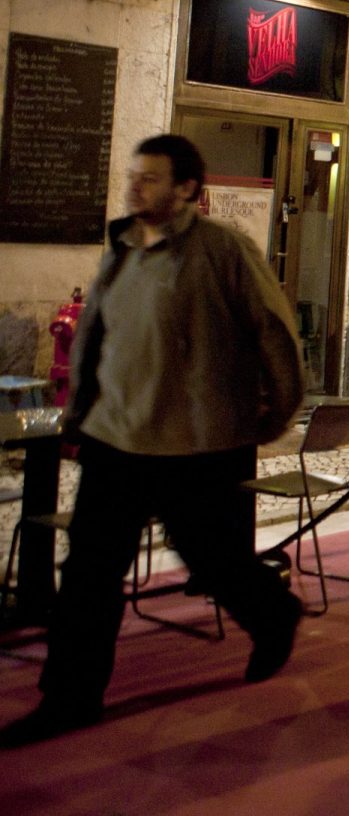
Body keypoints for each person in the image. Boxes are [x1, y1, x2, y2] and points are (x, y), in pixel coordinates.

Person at [0, 135, 306, 748]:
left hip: (192, 441)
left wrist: (273, 416)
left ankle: (273, 615)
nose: (135, 186)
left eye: (150, 178)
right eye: (134, 175)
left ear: (187, 189)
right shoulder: (121, 250)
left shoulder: (224, 251)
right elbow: (95, 336)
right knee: (88, 572)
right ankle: (70, 697)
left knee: (211, 558)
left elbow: (275, 332)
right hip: (117, 438)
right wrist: (79, 413)